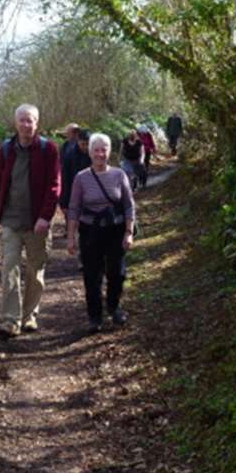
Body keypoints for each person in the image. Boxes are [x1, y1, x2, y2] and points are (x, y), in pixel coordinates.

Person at [0, 104, 62, 338]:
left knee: (34, 270)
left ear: (37, 123)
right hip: (10, 219)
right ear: (15, 122)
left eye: (30, 121)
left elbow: (54, 186)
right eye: (22, 120)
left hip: (36, 222)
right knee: (9, 267)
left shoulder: (48, 149)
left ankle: (29, 315)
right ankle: (10, 319)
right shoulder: (6, 150)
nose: (26, 125)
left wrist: (45, 217)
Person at [66, 133, 135, 333]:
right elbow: (74, 208)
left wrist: (129, 232)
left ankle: (114, 307)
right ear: (90, 153)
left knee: (117, 273)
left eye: (103, 149)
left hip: (116, 229)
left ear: (109, 152)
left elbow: (129, 206)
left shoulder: (119, 175)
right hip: (90, 231)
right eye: (96, 150)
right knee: (91, 275)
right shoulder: (81, 178)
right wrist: (71, 237)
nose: (100, 154)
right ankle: (94, 316)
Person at [60, 129, 92, 220]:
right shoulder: (69, 156)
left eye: (88, 144)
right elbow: (65, 179)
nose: (86, 147)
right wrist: (64, 202)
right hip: (72, 192)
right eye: (83, 144)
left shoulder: (94, 155)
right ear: (78, 142)